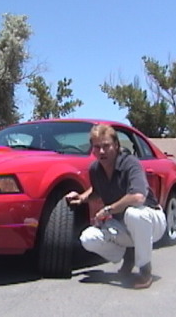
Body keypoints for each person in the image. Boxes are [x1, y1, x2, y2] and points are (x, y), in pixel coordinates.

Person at [66, 124, 167, 289]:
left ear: (116, 145)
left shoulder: (130, 163)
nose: (102, 152)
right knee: (88, 238)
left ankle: (145, 269)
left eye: (106, 146)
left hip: (151, 221)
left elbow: (138, 197)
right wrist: (81, 197)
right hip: (123, 225)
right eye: (97, 147)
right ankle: (129, 254)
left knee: (134, 214)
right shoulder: (95, 169)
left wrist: (108, 209)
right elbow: (98, 190)